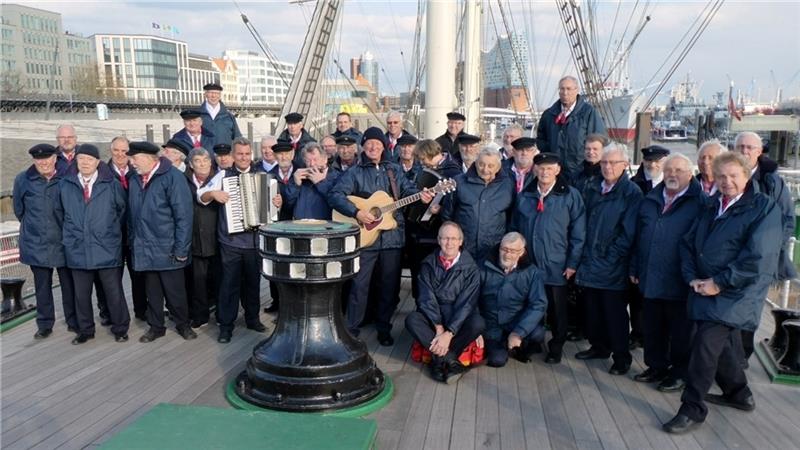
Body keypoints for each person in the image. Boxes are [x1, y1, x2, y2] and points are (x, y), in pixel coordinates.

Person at [663, 152, 782, 434]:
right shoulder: (712, 206)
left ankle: (692, 408)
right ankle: (739, 393)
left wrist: (719, 282)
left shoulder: (763, 208)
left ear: (746, 175)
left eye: (734, 176)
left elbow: (757, 258)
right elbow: (688, 243)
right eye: (722, 176)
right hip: (705, 286)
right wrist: (692, 277)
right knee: (722, 344)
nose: (727, 182)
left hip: (737, 292)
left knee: (704, 345)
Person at [328, 127, 433, 346]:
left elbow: (408, 191)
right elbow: (335, 195)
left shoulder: (393, 170)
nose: (373, 147)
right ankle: (352, 330)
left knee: (389, 287)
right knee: (359, 286)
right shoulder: (355, 172)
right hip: (366, 240)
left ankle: (384, 328)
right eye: (369, 144)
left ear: (384, 146)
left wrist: (420, 196)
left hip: (392, 239)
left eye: (377, 143)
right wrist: (357, 212)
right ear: (363, 147)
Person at [631, 154, 706, 392]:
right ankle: (656, 366)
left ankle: (680, 372)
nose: (673, 175)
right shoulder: (650, 199)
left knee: (680, 331)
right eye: (669, 170)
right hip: (650, 275)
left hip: (679, 279)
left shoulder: (699, 203)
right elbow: (638, 236)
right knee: (652, 326)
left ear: (690, 174)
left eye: (679, 171)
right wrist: (634, 266)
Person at [198, 137, 278, 343]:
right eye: (240, 154)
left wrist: (278, 201)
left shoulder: (263, 175)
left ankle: (252, 318)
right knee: (229, 285)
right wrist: (213, 193)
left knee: (252, 282)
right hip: (230, 242)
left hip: (254, 242)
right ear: (233, 156)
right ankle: (226, 326)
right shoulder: (223, 175)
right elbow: (200, 195)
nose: (243, 157)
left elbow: (273, 208)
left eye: (247, 154)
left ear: (251, 154)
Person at [510, 153, 585, 364]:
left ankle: (556, 347)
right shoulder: (525, 195)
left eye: (549, 168)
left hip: (557, 263)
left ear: (558, 170)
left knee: (557, 310)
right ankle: (532, 342)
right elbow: (514, 227)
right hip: (529, 264)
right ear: (535, 170)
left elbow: (579, 233)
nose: (544, 172)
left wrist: (572, 263)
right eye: (541, 168)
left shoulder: (570, 196)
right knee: (529, 305)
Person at [574, 143, 642, 375]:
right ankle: (598, 346)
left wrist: (610, 256)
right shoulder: (593, 187)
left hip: (611, 263)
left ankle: (621, 357)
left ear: (624, 165)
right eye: (604, 162)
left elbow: (628, 233)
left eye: (613, 163)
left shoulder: (631, 193)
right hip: (589, 259)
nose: (608, 167)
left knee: (614, 314)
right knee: (592, 310)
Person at [736, 131, 797, 363]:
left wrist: (771, 251)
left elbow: (787, 219)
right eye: (740, 146)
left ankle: (740, 359)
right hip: (732, 256)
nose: (744, 151)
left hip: (760, 259)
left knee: (750, 309)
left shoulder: (772, 182)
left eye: (749, 147)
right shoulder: (729, 176)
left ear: (759, 152)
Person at [127, 141, 196, 343]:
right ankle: (156, 326)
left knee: (175, 292)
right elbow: (131, 215)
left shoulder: (173, 178)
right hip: (145, 247)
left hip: (168, 248)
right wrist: (133, 242)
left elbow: (183, 216)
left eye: (135, 158)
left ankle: (183, 324)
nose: (132, 163)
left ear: (150, 159)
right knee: (153, 292)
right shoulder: (134, 180)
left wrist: (181, 249)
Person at [60, 144, 130, 344]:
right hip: (77, 248)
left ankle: (120, 327)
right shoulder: (66, 184)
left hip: (106, 246)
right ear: (76, 161)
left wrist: (108, 231)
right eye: (81, 159)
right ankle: (85, 330)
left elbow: (121, 211)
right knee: (81, 294)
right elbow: (60, 213)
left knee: (113, 291)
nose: (85, 163)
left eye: (89, 159)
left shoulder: (111, 183)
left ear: (98, 162)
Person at [405, 222, 484, 383]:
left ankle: (439, 361)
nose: (449, 243)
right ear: (439, 240)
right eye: (445, 238)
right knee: (412, 320)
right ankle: (449, 360)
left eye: (453, 238)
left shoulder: (471, 268)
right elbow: (426, 298)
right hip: (435, 316)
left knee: (478, 323)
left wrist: (449, 333)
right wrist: (439, 328)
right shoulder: (428, 263)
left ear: (460, 241)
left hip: (457, 315)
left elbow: (467, 303)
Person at [13, 144, 77, 339]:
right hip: (36, 243)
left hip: (62, 242)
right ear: (34, 160)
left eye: (47, 158)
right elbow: (19, 210)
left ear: (55, 159)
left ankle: (73, 320)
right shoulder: (23, 179)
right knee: (42, 287)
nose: (43, 163)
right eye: (39, 160)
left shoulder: (66, 178)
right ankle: (44, 323)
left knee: (69, 286)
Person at [480, 232, 548, 367]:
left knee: (538, 333)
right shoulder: (483, 266)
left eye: (513, 251)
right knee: (497, 361)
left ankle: (522, 350)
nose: (507, 254)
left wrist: (519, 332)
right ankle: (503, 347)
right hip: (491, 323)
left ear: (522, 252)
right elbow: (472, 299)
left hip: (516, 320)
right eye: (504, 249)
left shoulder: (531, 271)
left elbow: (539, 304)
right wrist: (477, 331)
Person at [404, 139, 462, 300]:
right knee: (418, 271)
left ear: (430, 154)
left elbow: (458, 202)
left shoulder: (453, 172)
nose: (422, 163)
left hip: (437, 231)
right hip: (418, 232)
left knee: (435, 272)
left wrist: (441, 209)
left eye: (423, 159)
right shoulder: (422, 170)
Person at [628, 144, 670, 349]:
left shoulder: (671, 185)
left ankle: (656, 336)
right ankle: (637, 333)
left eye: (657, 161)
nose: (652, 164)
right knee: (637, 297)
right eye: (648, 160)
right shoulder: (634, 184)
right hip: (640, 244)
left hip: (663, 248)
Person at [442, 146, 514, 263]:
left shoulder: (508, 185)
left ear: (498, 167)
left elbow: (512, 217)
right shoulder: (459, 182)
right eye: (481, 164)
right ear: (475, 163)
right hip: (464, 247)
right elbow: (447, 214)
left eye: (490, 166)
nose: (485, 169)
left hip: (493, 249)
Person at [108, 136, 147, 321]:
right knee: (111, 279)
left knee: (138, 274)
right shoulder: (103, 173)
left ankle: (142, 310)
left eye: (125, 151)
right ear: (111, 151)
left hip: (134, 232)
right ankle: (110, 313)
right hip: (112, 235)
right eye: (116, 150)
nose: (120, 155)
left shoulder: (137, 172)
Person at [536, 76, 606, 179]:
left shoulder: (589, 113)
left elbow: (598, 140)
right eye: (562, 89)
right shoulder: (549, 114)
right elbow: (541, 139)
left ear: (576, 90)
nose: (565, 92)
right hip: (555, 173)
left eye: (569, 89)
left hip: (581, 171)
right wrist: (549, 158)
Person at [185, 147, 219, 328]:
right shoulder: (184, 181)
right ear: (191, 165)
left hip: (217, 237)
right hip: (195, 238)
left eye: (205, 160)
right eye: (197, 161)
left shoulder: (220, 179)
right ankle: (200, 315)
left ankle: (222, 314)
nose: (202, 164)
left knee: (219, 279)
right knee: (197, 281)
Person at [285, 142, 338, 220]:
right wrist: (295, 185)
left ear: (325, 159)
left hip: (325, 227)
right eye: (308, 161)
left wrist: (321, 183)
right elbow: (288, 204)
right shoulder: (299, 177)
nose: (312, 164)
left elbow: (338, 202)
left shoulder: (336, 177)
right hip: (301, 226)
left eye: (315, 160)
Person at [199, 82, 241, 146]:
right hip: (204, 155)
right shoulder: (197, 115)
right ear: (205, 94)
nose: (213, 96)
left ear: (220, 95)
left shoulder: (229, 116)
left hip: (225, 155)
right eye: (211, 93)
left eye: (217, 93)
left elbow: (237, 138)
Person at [572, 133, 606, 198]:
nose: (591, 152)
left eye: (595, 149)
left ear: (603, 151)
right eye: (588, 149)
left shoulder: (607, 174)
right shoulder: (577, 173)